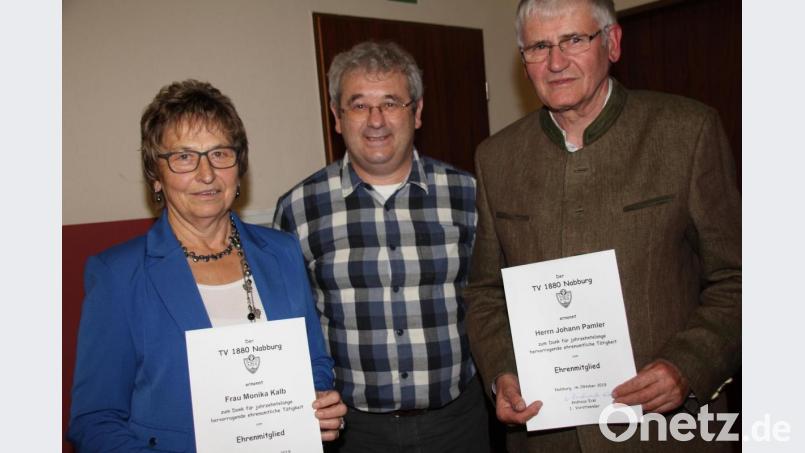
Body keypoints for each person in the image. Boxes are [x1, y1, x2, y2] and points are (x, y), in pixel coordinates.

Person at [465, 0, 741, 451]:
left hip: (668, 432)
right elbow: (485, 293)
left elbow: (739, 277)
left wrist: (688, 365)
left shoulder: (686, 132)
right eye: (538, 46)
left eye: (574, 40)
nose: (555, 62)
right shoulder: (497, 159)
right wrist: (501, 372)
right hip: (549, 436)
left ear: (612, 43)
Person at [68, 80, 347, 452]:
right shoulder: (119, 275)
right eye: (184, 157)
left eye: (220, 154)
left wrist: (319, 404)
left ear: (239, 167)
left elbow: (314, 359)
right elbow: (95, 420)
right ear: (156, 175)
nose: (206, 174)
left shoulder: (281, 253)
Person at [273, 41, 489, 452]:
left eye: (391, 103)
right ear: (337, 117)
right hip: (352, 434)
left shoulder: (468, 195)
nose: (376, 120)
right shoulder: (299, 209)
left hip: (457, 422)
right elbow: (287, 326)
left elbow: (493, 299)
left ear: (418, 112)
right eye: (358, 105)